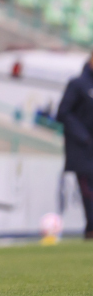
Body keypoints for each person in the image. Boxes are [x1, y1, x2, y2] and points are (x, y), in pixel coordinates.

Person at [56, 51, 93, 239]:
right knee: (89, 192)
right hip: (83, 151)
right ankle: (91, 230)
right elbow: (62, 113)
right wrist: (84, 136)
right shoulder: (78, 84)